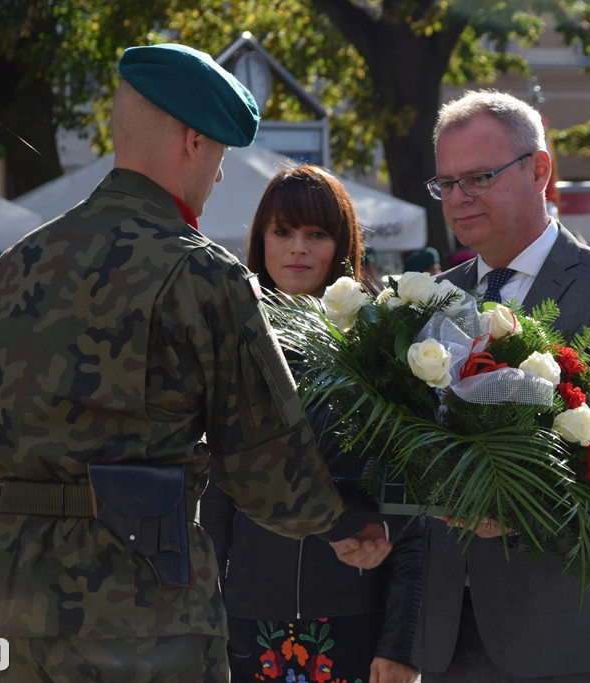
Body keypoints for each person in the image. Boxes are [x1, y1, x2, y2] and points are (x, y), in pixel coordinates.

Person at [0, 43, 388, 682]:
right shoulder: (199, 271)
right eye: (220, 154)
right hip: (140, 602)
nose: (220, 175)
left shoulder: (17, 264)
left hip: (15, 595)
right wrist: (350, 520)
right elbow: (264, 461)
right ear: (194, 142)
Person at [406, 89, 590, 682]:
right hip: (452, 629)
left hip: (570, 626)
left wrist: (514, 508)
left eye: (478, 177)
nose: (459, 198)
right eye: (446, 183)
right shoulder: (432, 298)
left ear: (540, 171)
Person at [201, 165, 422, 683]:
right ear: (261, 241)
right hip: (246, 620)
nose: (297, 248)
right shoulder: (230, 341)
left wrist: (401, 640)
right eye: (283, 232)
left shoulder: (379, 352)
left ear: (342, 245)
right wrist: (200, 617)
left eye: (316, 234)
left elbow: (412, 505)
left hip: (354, 617)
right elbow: (213, 496)